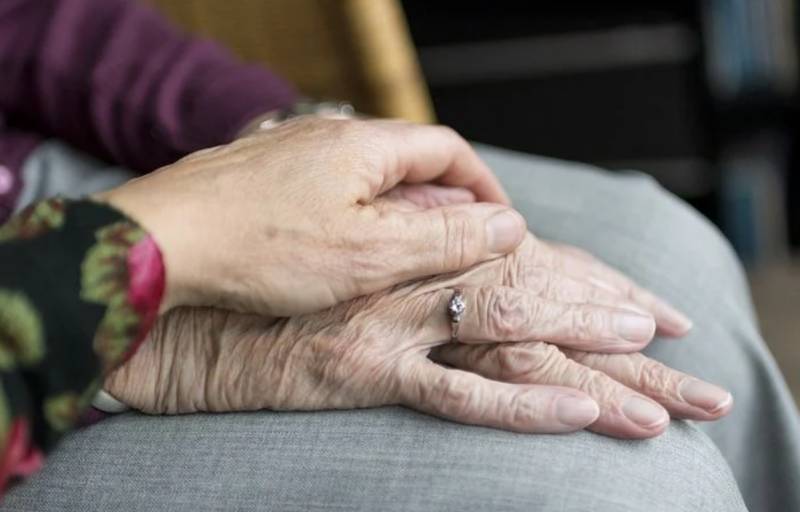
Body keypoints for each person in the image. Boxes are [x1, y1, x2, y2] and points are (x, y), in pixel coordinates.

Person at [0, 1, 797, 511]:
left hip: (48, 175)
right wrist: (150, 318)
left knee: (665, 256)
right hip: (31, 351)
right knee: (620, 484)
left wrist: (279, 139)